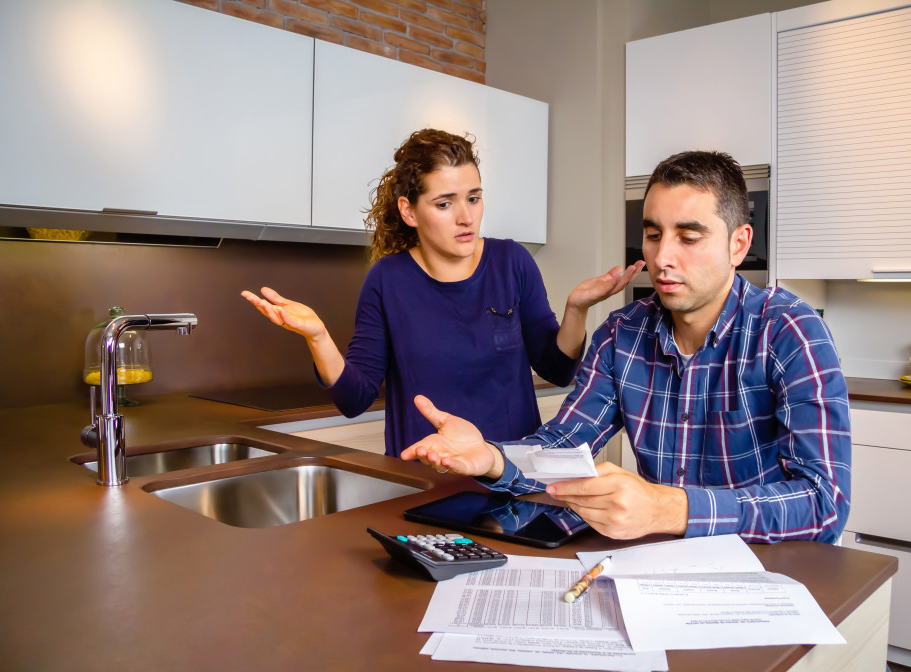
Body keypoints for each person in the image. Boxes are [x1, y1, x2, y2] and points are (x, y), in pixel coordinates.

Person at [401, 150, 851, 544]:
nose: (663, 257)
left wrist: (667, 508)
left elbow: (823, 502)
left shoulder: (790, 331)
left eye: (689, 237)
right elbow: (562, 446)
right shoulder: (623, 334)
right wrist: (491, 458)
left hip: (765, 571)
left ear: (739, 244)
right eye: (653, 234)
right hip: (659, 566)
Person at [243, 128, 643, 457]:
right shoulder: (388, 280)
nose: (466, 217)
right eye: (444, 203)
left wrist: (576, 310)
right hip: (423, 481)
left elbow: (557, 371)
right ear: (409, 211)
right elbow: (355, 399)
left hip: (512, 478)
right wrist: (318, 337)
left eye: (473, 198)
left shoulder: (512, 262)